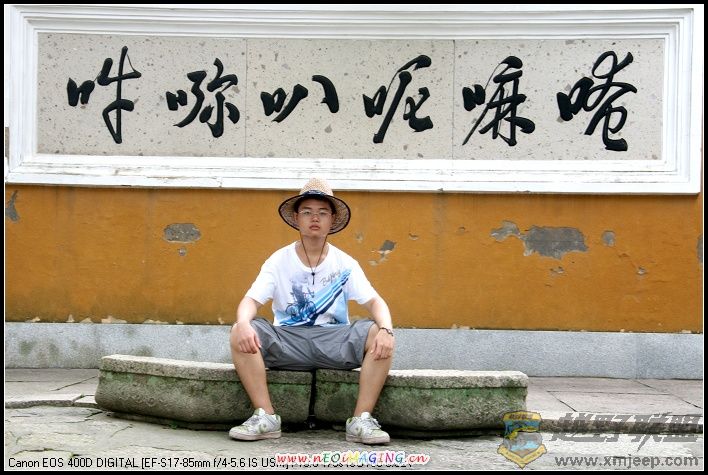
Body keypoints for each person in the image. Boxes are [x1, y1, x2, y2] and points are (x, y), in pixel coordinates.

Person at [228, 178, 395, 444]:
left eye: (322, 212)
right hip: (288, 341)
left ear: (332, 220)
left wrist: (386, 329)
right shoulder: (278, 260)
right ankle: (266, 417)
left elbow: (376, 302)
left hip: (334, 342)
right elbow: (251, 300)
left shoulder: (345, 263)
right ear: (296, 218)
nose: (314, 218)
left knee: (379, 333)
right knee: (240, 329)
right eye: (307, 212)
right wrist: (244, 323)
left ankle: (361, 420)